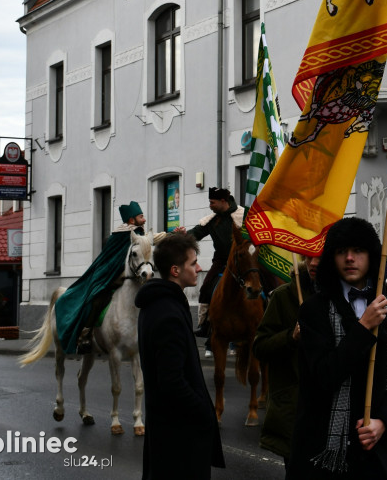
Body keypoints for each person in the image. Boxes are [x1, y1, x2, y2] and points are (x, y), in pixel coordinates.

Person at [288, 217, 387, 479]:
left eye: (358, 251)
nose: (350, 258)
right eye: (342, 251)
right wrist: (363, 328)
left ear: (371, 256)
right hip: (325, 453)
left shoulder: (385, 309)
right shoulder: (313, 310)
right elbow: (322, 377)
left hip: (375, 453)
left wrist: (383, 423)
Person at [135, 232, 224, 479]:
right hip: (178, 439)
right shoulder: (168, 314)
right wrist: (204, 412)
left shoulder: (161, 304)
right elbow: (172, 382)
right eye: (192, 263)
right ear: (175, 270)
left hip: (167, 433)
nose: (199, 268)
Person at [56, 201, 164, 355]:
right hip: (108, 276)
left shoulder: (138, 234)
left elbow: (152, 239)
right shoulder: (122, 234)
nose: (144, 219)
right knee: (96, 298)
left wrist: (172, 234)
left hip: (130, 276)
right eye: (141, 217)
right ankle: (86, 333)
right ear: (132, 220)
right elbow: (110, 260)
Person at [253, 254, 319, 466]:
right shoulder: (284, 296)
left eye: (322, 257)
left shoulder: (342, 296)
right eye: (309, 257)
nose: (314, 263)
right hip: (295, 409)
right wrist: (291, 336)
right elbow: (260, 346)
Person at [188, 187, 243, 338]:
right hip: (221, 260)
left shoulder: (242, 215)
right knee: (206, 287)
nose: (210, 205)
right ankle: (205, 324)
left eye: (212, 202)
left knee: (264, 280)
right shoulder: (212, 220)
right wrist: (180, 236)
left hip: (242, 259)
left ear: (223, 201)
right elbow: (195, 234)